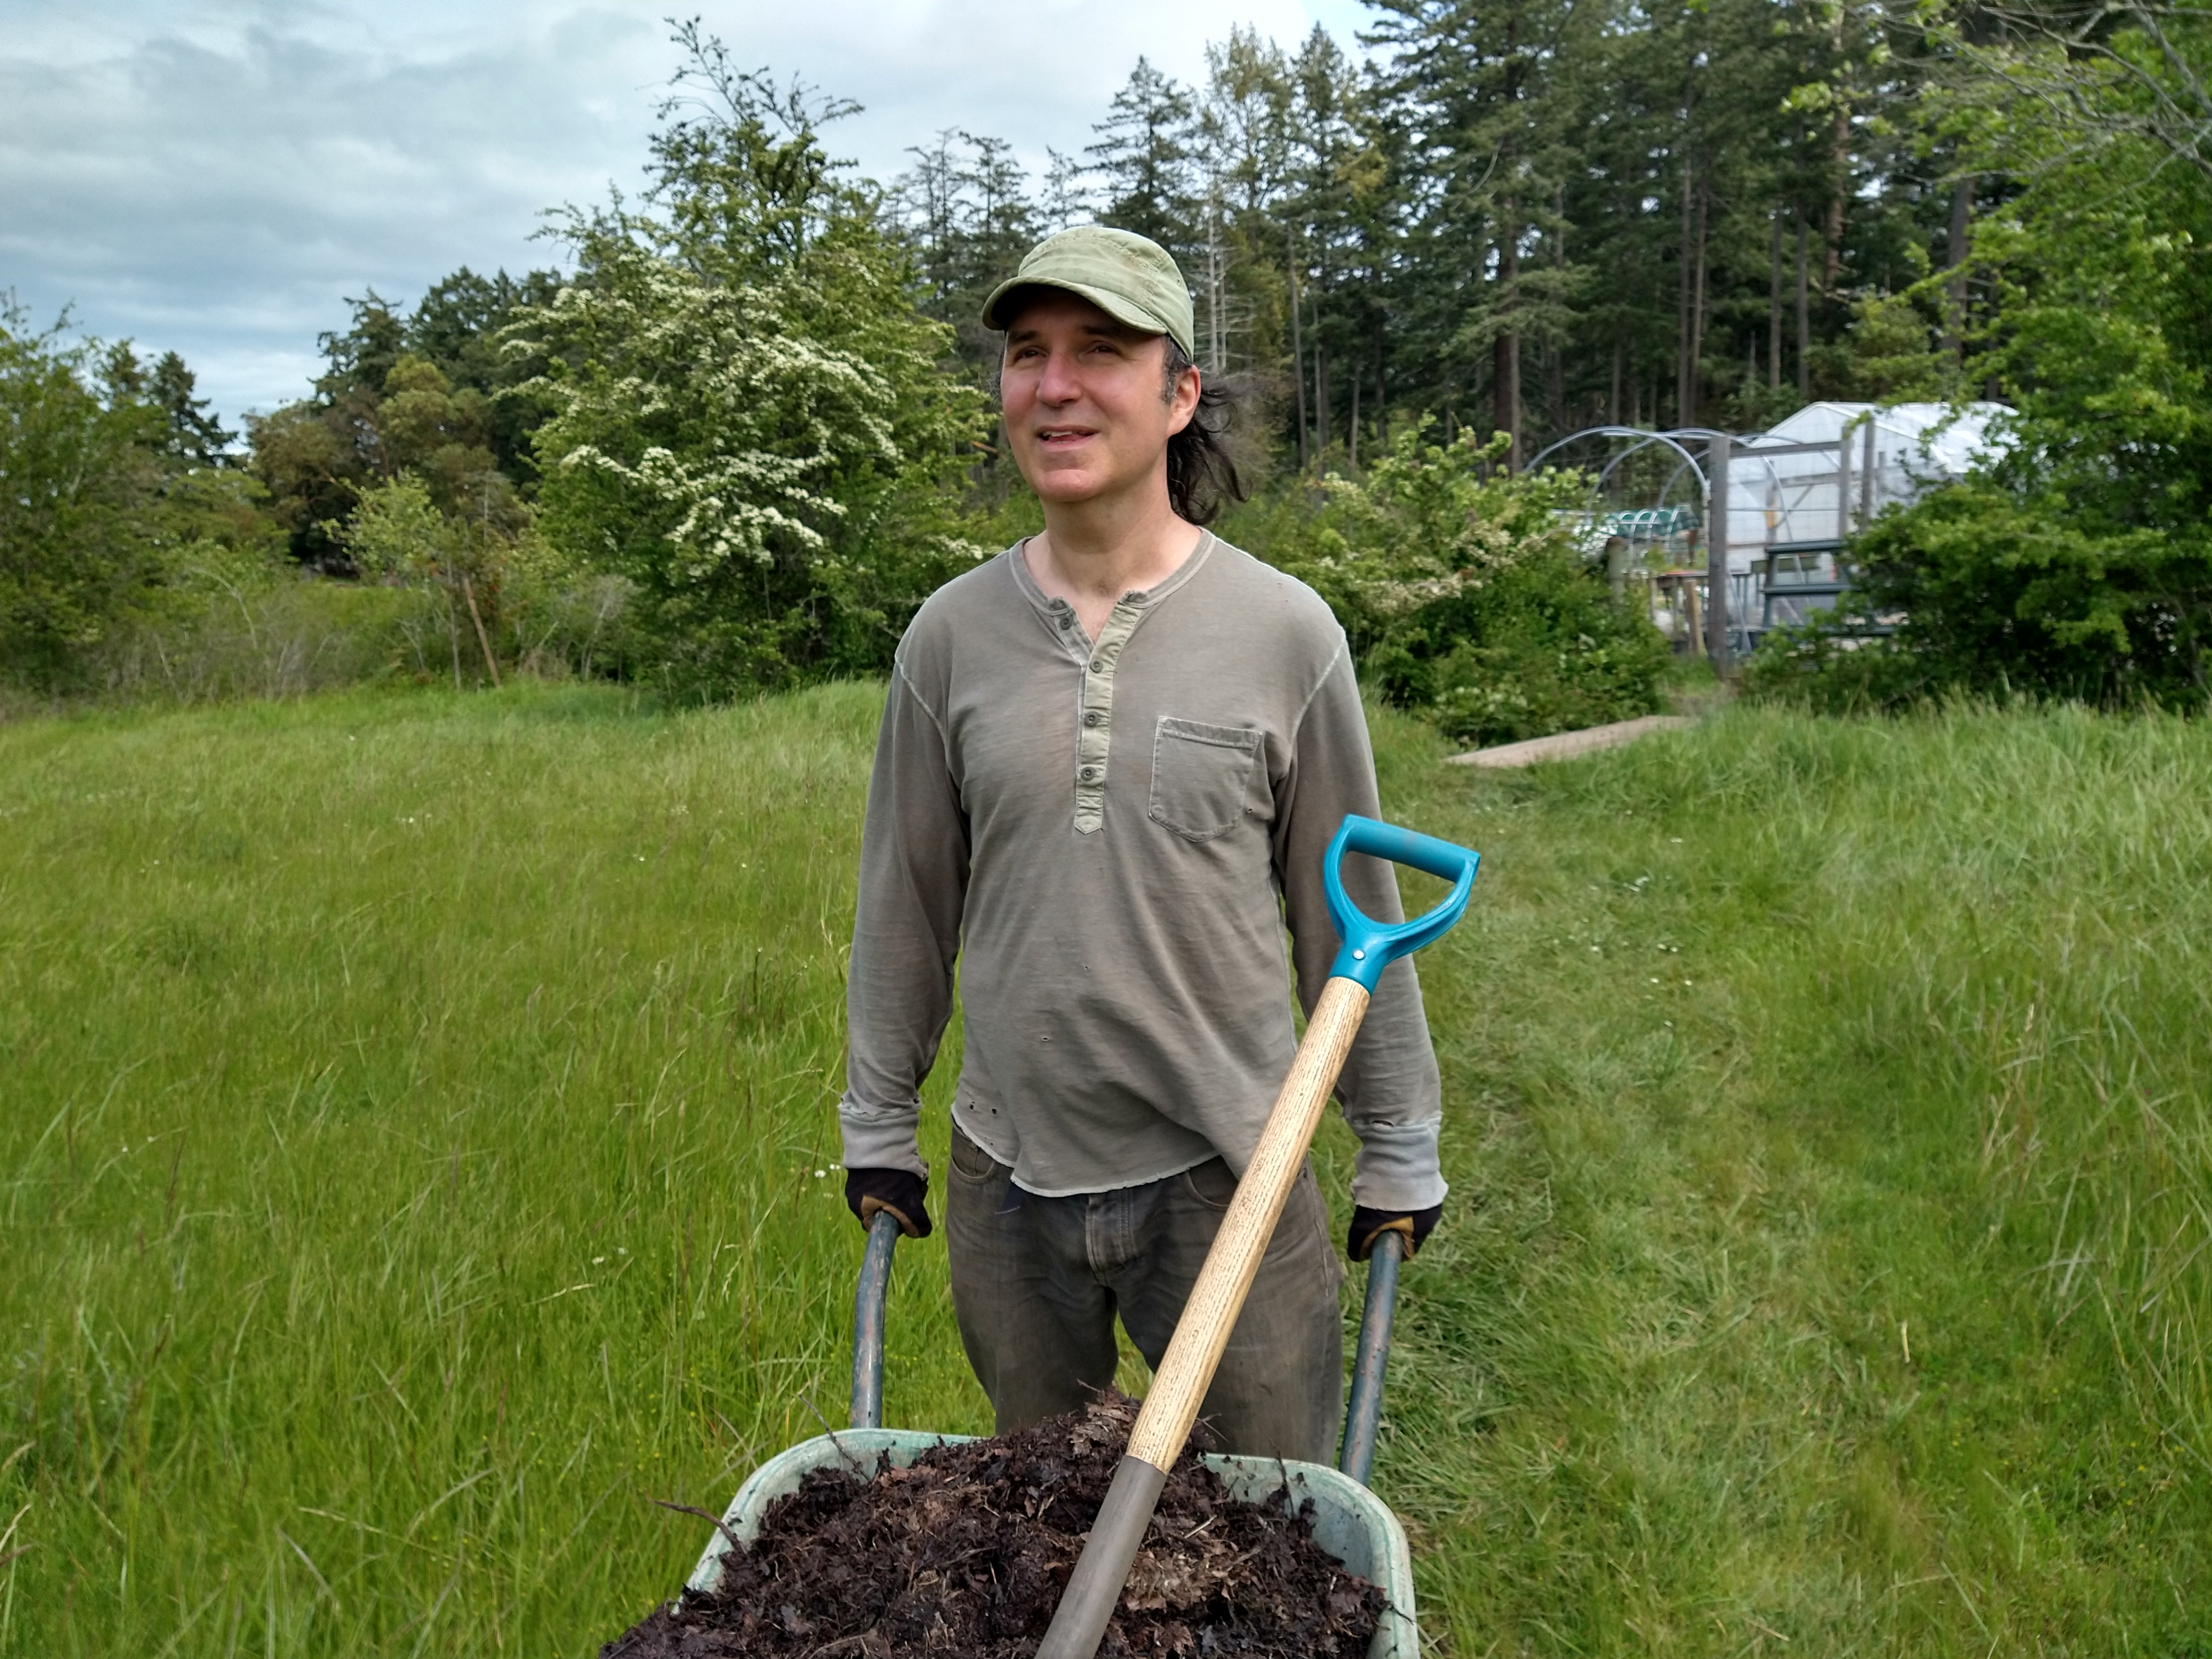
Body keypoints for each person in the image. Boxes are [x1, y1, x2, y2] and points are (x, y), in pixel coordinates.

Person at [837, 226, 1445, 1463]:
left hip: (1231, 1174)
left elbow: (1356, 918)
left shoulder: (1284, 632)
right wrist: (875, 1123)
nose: (1052, 386)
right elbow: (905, 904)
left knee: (1268, 1527)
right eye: (1025, 355)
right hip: (1007, 1178)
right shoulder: (946, 639)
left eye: (1098, 352)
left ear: (1178, 395)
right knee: (1038, 1520)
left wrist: (1399, 1140)